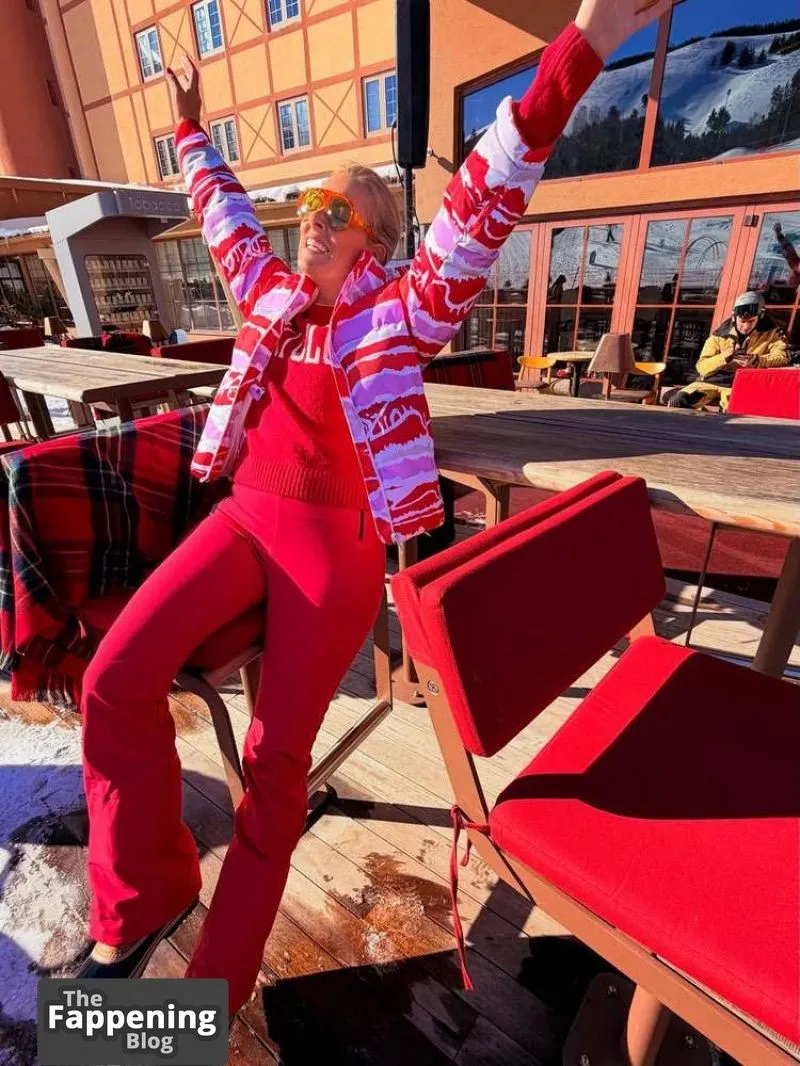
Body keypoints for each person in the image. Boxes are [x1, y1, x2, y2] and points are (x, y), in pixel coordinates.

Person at [75, 0, 674, 1018]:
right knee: (111, 679)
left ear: (381, 243)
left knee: (273, 766)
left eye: (338, 210)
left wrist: (584, 46)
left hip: (334, 552)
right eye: (312, 200)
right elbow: (220, 206)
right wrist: (187, 122)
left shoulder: (403, 312)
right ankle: (140, 899)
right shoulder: (267, 292)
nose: (314, 216)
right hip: (243, 520)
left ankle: (192, 1013)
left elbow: (484, 198)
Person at [667, 291, 790, 411]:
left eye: (751, 321)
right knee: (677, 402)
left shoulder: (773, 333)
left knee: (734, 410)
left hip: (742, 383)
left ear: (760, 316)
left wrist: (757, 360)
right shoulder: (719, 335)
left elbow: (784, 357)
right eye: (742, 321)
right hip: (710, 381)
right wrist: (724, 357)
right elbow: (701, 367)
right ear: (734, 317)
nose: (746, 326)